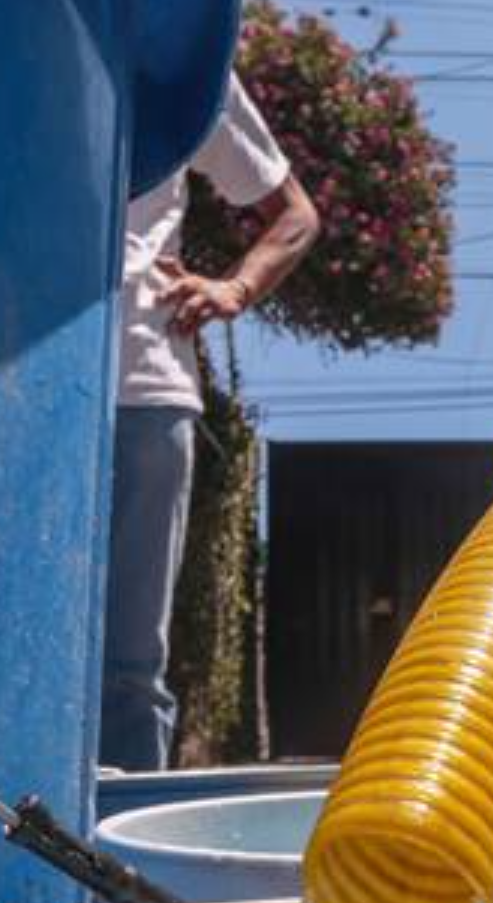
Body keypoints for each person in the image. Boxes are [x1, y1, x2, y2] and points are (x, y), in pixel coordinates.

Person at [101, 74, 318, 770]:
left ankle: (112, 869)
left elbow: (295, 215)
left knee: (128, 668)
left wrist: (235, 286)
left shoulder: (179, 58)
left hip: (141, 388)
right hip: (9, 378)